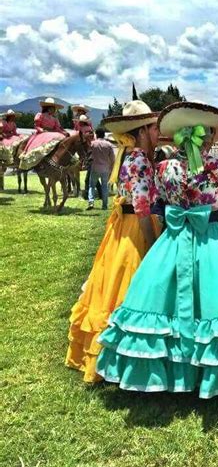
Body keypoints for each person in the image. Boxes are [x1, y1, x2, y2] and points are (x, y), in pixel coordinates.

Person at [96, 101, 218, 399]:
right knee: (214, 302)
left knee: (165, 302)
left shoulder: (162, 167)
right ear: (207, 136)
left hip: (173, 237)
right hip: (211, 238)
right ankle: (210, 372)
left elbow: (152, 204)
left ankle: (173, 371)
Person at [66, 100, 162, 383]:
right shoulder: (141, 160)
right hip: (136, 228)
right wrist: (154, 244)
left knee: (111, 285)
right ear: (142, 130)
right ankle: (125, 360)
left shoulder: (127, 156)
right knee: (131, 289)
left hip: (121, 228)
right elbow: (143, 209)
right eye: (154, 128)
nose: (158, 133)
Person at [19, 97, 68, 170]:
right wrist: (42, 130)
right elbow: (36, 126)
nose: (55, 110)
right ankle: (38, 163)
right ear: (48, 108)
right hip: (42, 133)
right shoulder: (40, 115)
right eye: (53, 108)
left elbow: (57, 128)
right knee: (40, 148)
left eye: (54, 109)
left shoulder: (54, 119)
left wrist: (63, 132)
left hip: (53, 134)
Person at [87, 127, 115, 210]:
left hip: (94, 167)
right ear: (104, 135)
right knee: (104, 187)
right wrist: (111, 168)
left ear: (97, 134)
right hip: (105, 168)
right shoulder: (109, 145)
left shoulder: (93, 144)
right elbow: (112, 159)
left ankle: (91, 202)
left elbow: (88, 155)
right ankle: (104, 205)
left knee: (91, 186)